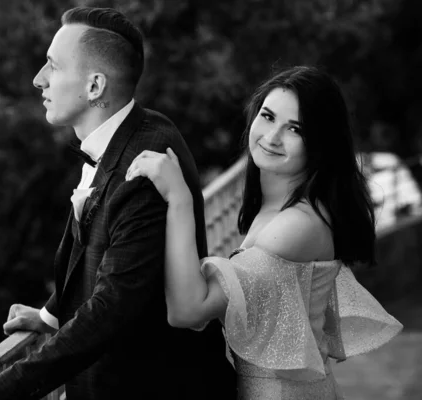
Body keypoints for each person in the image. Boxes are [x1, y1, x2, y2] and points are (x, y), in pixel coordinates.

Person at [0, 6, 236, 400]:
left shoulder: (144, 167)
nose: (39, 79)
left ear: (95, 86)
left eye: (53, 66)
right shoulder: (138, 130)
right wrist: (52, 314)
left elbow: (111, 309)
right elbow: (96, 245)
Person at [126, 65, 403, 399]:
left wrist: (180, 198)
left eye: (295, 129)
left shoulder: (296, 227)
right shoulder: (275, 209)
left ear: (321, 143)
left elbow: (188, 310)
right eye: (268, 117)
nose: (272, 137)